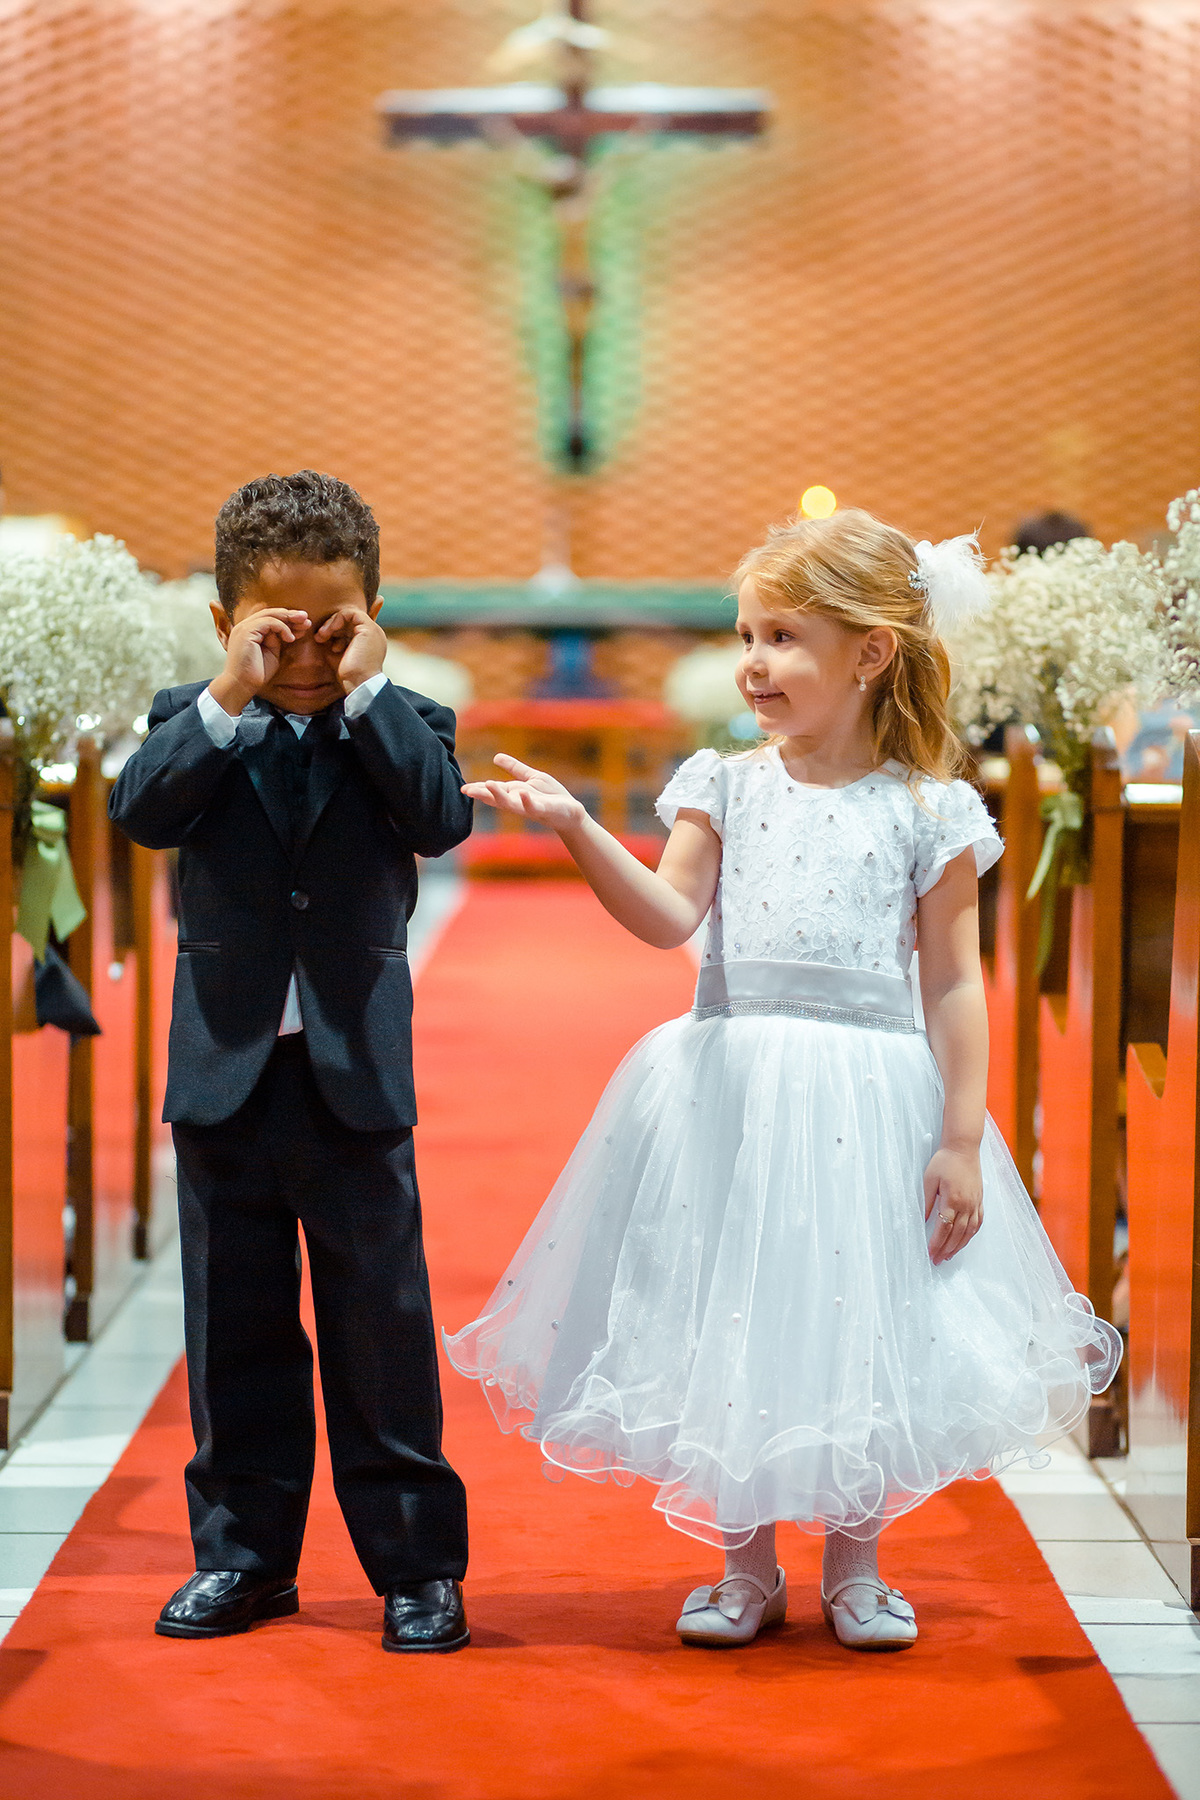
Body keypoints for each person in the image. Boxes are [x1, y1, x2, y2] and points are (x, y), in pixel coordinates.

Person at [446, 509, 1120, 1650]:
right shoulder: (724, 785)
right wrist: (576, 826)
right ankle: (744, 1567)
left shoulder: (928, 807)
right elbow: (667, 918)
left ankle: (856, 1564)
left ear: (870, 653)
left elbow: (956, 983)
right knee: (734, 1307)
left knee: (861, 1312)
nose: (752, 663)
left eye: (782, 638)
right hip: (734, 1089)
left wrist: (962, 1137)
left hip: (869, 1091)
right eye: (746, 636)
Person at [111, 471, 473, 1652]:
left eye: (333, 626)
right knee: (234, 1327)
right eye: (278, 629)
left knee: (381, 1325)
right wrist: (229, 691)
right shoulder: (193, 716)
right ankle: (245, 1557)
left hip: (351, 1072)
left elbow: (438, 819)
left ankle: (416, 1567)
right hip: (225, 1071)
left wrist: (368, 692)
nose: (307, 653)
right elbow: (142, 812)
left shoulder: (407, 721)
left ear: (373, 615)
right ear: (226, 621)